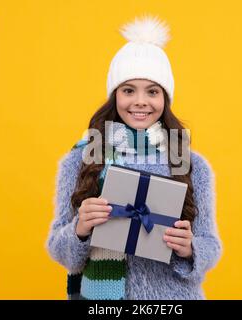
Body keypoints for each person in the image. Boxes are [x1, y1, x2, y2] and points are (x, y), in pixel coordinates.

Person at [46, 15, 222, 300]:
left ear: (165, 99)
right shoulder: (83, 159)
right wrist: (79, 229)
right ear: (114, 96)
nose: (140, 101)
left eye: (152, 91)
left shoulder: (191, 164)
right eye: (129, 90)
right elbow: (59, 248)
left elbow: (210, 245)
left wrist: (191, 248)